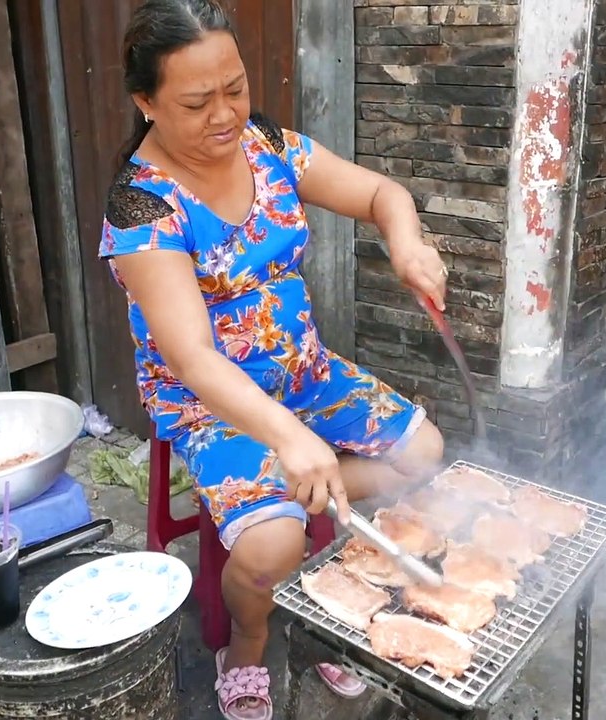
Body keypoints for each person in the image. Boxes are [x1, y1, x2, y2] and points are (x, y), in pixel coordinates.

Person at [100, 2, 448, 717]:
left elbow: (383, 192)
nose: (225, 115)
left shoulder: (267, 145)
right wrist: (290, 439)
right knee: (267, 552)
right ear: (146, 102)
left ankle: (307, 553)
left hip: (305, 372)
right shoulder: (143, 208)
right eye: (197, 102)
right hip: (213, 405)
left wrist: (407, 242)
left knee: (426, 450)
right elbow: (194, 358)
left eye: (235, 87)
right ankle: (246, 649)